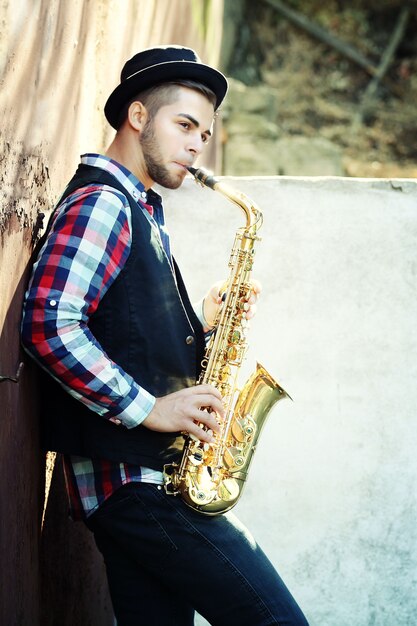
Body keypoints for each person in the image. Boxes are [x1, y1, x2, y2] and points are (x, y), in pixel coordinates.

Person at [21, 45, 309, 626]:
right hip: (143, 484)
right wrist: (149, 408)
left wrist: (203, 321)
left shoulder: (141, 210)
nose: (197, 143)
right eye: (184, 124)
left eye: (204, 132)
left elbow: (120, 332)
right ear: (137, 117)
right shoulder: (105, 202)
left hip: (136, 484)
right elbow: (49, 322)